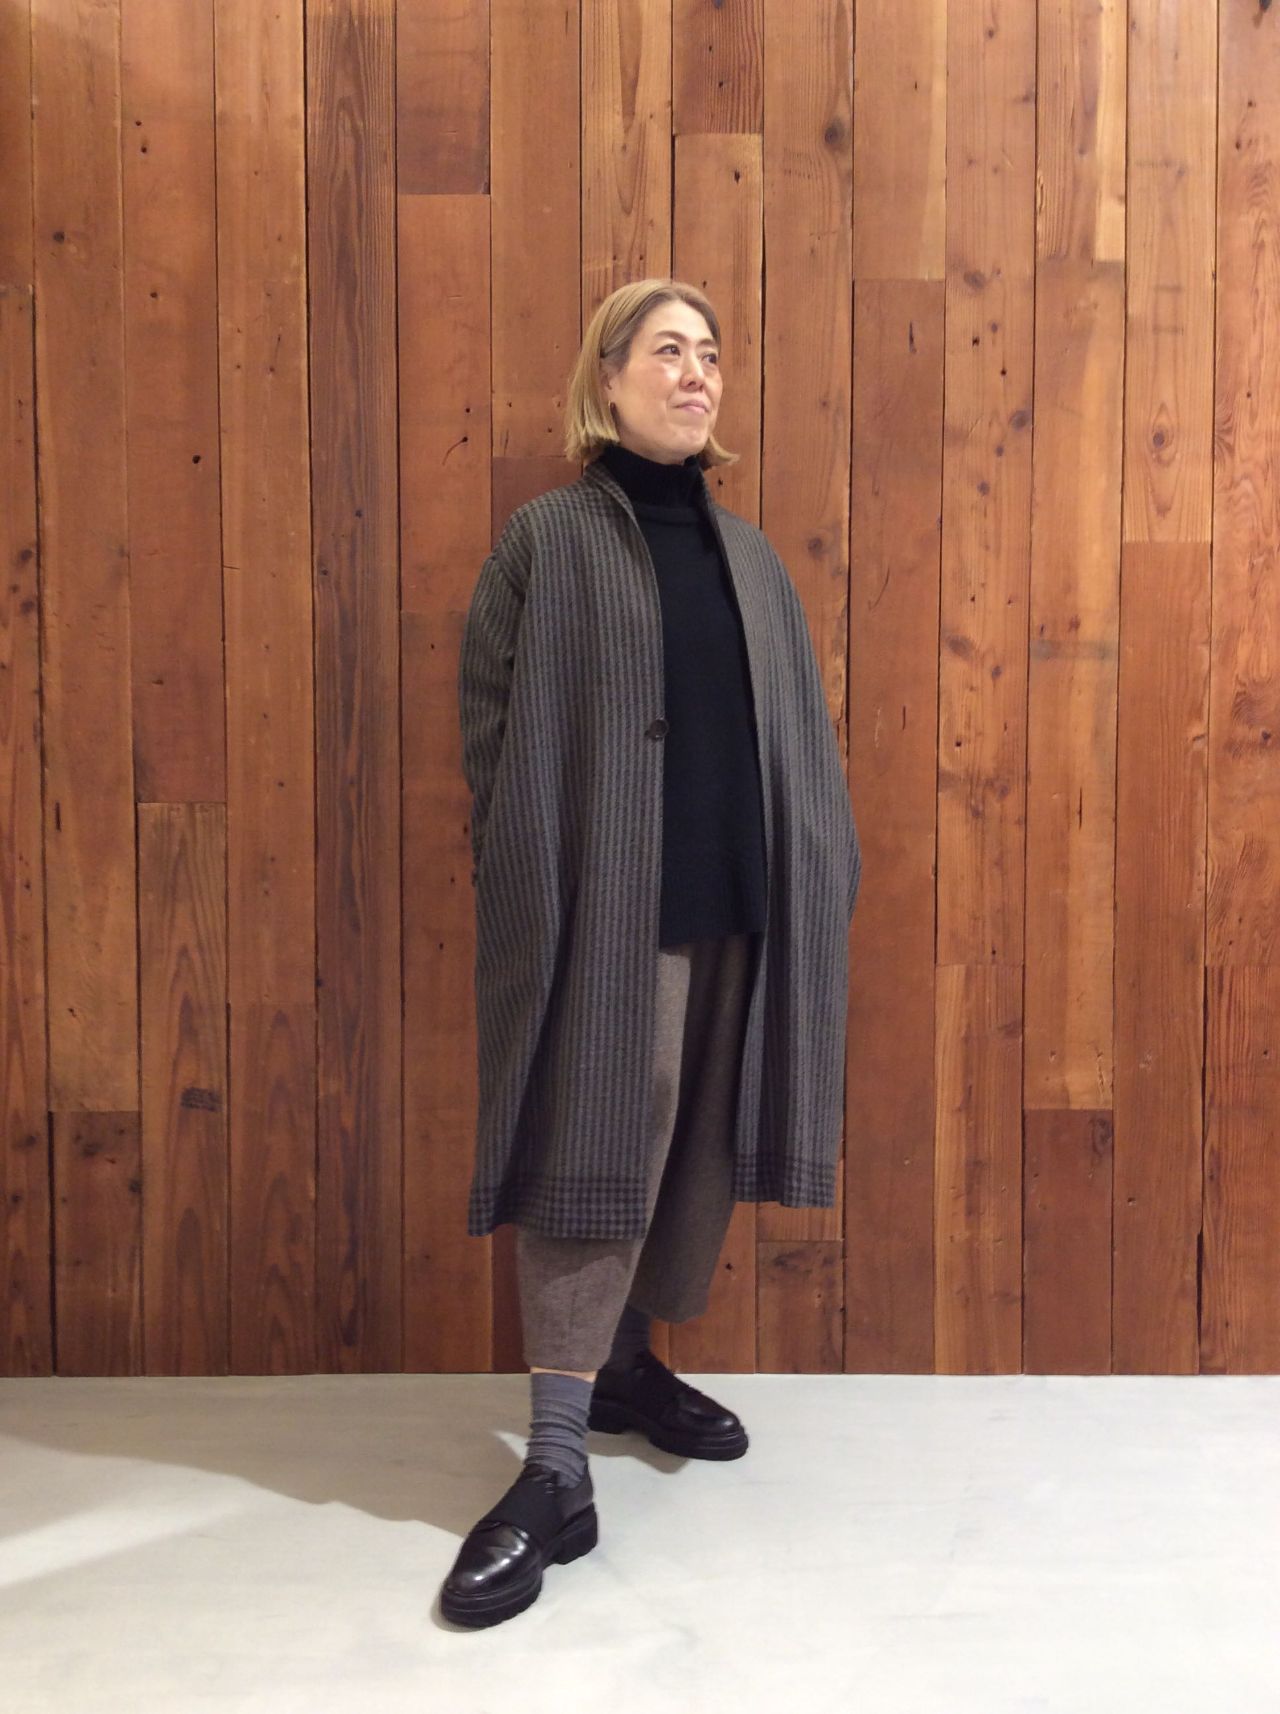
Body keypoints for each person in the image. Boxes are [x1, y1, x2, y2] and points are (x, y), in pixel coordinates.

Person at [440, 278, 860, 1628]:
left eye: (711, 356)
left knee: (692, 1145)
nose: (697, 374)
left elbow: (791, 725)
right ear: (608, 379)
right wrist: (528, 865)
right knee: (595, 1143)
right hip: (610, 903)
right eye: (668, 351)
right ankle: (555, 1467)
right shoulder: (547, 541)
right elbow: (491, 721)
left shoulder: (751, 558)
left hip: (743, 892)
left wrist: (820, 858)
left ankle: (624, 1365)